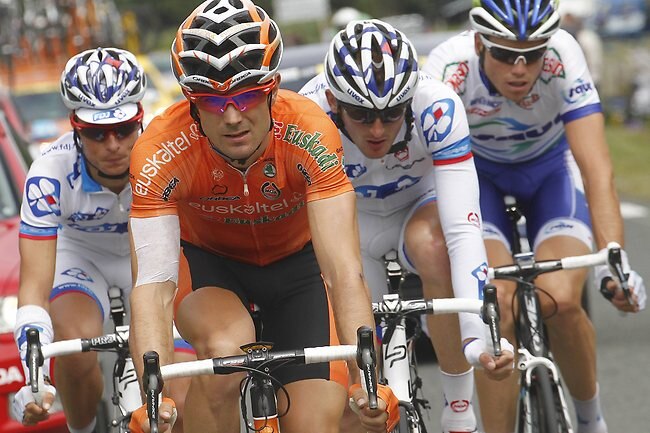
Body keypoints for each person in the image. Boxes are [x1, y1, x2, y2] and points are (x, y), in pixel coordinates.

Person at [126, 1, 396, 433]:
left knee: (314, 425)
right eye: (213, 102)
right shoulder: (160, 151)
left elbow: (343, 273)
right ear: (192, 104)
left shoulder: (310, 132)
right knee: (226, 351)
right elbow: (153, 290)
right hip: (209, 268)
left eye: (247, 95)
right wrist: (153, 400)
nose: (232, 116)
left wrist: (370, 382)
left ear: (271, 89)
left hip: (298, 271)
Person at [422, 1, 647, 432]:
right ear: (479, 43)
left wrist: (614, 261)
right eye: (505, 54)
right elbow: (431, 173)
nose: (520, 68)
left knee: (560, 299)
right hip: (478, 180)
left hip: (549, 174)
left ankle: (589, 420)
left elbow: (597, 170)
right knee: (496, 308)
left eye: (533, 54)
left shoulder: (563, 55)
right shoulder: (449, 67)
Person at [300, 19, 515, 433]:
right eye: (362, 115)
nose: (378, 130)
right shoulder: (306, 115)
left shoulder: (437, 106)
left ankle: (458, 412)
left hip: (419, 207)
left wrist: (479, 337)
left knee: (435, 246)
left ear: (410, 100)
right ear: (333, 101)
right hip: (350, 225)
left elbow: (463, 231)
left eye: (392, 114)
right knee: (352, 387)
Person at [12, 47, 191, 433]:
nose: (112, 144)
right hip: (80, 257)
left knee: (179, 377)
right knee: (74, 346)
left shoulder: (169, 155)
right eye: (96, 133)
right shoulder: (48, 173)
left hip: (149, 254)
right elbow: (33, 291)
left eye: (124, 129)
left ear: (141, 118)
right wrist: (34, 371)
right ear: (74, 126)